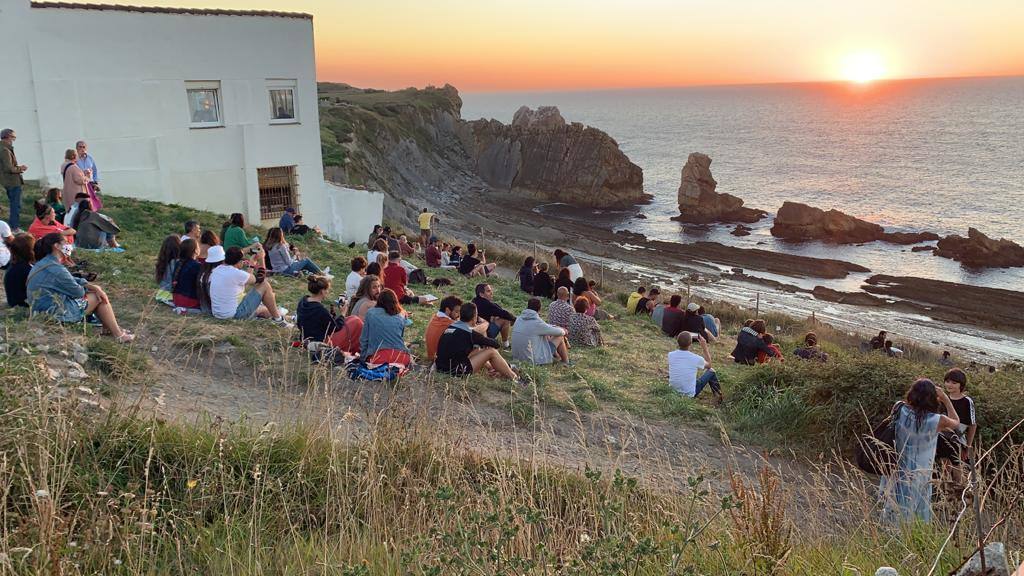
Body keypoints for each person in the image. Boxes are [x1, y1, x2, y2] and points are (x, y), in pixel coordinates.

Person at [27, 233, 134, 342]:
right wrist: (94, 289)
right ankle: (118, 334)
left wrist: (88, 285)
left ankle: (109, 328)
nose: (69, 245)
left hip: (39, 311)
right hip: (55, 314)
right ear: (56, 246)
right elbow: (78, 292)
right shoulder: (57, 268)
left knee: (95, 292)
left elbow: (69, 279)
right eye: (66, 242)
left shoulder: (44, 264)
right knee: (98, 297)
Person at [880, 378, 960, 524]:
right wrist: (946, 399)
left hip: (896, 464)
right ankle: (907, 537)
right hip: (920, 471)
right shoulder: (937, 420)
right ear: (933, 398)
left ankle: (890, 532)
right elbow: (956, 422)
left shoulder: (899, 408)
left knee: (894, 501)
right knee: (914, 506)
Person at [435, 302, 518, 380]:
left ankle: (495, 368)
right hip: (455, 371)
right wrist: (483, 331)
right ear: (474, 317)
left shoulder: (451, 327)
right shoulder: (470, 333)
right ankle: (514, 377)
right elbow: (496, 345)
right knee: (491, 351)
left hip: (440, 367)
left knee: (477, 349)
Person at [209, 246, 290, 326]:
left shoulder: (217, 270)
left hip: (219, 314)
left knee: (263, 309)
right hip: (234, 315)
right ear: (239, 261)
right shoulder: (236, 273)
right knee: (265, 285)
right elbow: (261, 279)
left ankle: (290, 318)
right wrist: (262, 258)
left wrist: (252, 265)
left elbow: (247, 282)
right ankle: (279, 320)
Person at [296, 274, 363, 354]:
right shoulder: (320, 309)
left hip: (305, 337)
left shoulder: (303, 301)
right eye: (327, 290)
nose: (328, 292)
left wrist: (334, 316)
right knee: (356, 322)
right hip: (321, 340)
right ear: (322, 291)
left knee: (352, 319)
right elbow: (334, 328)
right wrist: (342, 314)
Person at [935, 368, 976, 485]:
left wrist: (968, 446)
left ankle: (958, 493)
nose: (949, 385)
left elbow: (972, 425)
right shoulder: (942, 398)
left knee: (957, 469)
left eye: (954, 383)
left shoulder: (967, 401)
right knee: (945, 467)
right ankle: (947, 494)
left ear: (961, 385)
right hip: (942, 437)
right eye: (947, 381)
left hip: (958, 439)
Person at [360, 288, 412, 368]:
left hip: (378, 358)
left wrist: (363, 358)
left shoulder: (371, 313)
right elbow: (399, 338)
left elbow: (364, 339)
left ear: (379, 300)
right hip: (402, 358)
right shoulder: (401, 316)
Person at [512, 298, 570, 366]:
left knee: (545, 334)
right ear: (539, 309)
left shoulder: (519, 319)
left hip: (517, 358)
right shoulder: (537, 323)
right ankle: (566, 361)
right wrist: (564, 330)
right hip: (534, 360)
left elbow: (545, 326)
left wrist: (554, 326)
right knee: (560, 337)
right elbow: (560, 332)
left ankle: (557, 357)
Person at [668, 331, 722, 403]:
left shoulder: (671, 355)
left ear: (678, 342)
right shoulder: (695, 358)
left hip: (673, 392)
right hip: (689, 394)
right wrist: (704, 347)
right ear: (690, 343)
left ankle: (718, 397)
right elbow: (709, 365)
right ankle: (718, 397)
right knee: (711, 371)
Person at [1, 128, 27, 231]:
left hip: (8, 181)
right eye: (13, 137)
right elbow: (9, 168)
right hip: (12, 182)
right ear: (8, 137)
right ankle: (14, 227)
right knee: (15, 206)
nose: (13, 140)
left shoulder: (3, 148)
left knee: (15, 205)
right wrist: (21, 168)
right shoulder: (5, 150)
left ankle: (13, 226)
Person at [425, 295, 462, 362]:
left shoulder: (435, 317)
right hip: (442, 361)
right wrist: (486, 323)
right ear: (447, 310)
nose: (459, 315)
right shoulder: (450, 323)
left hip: (432, 356)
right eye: (456, 312)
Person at [171, 238, 202, 310]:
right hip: (189, 300)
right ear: (195, 251)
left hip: (176, 298)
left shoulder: (178, 263)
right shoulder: (197, 266)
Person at [4, 233, 34, 307]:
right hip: (23, 307)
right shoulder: (27, 270)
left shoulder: (13, 265)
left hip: (13, 303)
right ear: (30, 251)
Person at [75, 140, 102, 209]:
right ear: (76, 148)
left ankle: (93, 214)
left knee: (93, 202)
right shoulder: (75, 159)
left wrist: (96, 181)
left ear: (86, 148)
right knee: (84, 202)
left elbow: (95, 170)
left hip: (91, 183)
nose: (82, 149)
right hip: (82, 183)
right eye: (80, 147)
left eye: (84, 147)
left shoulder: (90, 158)